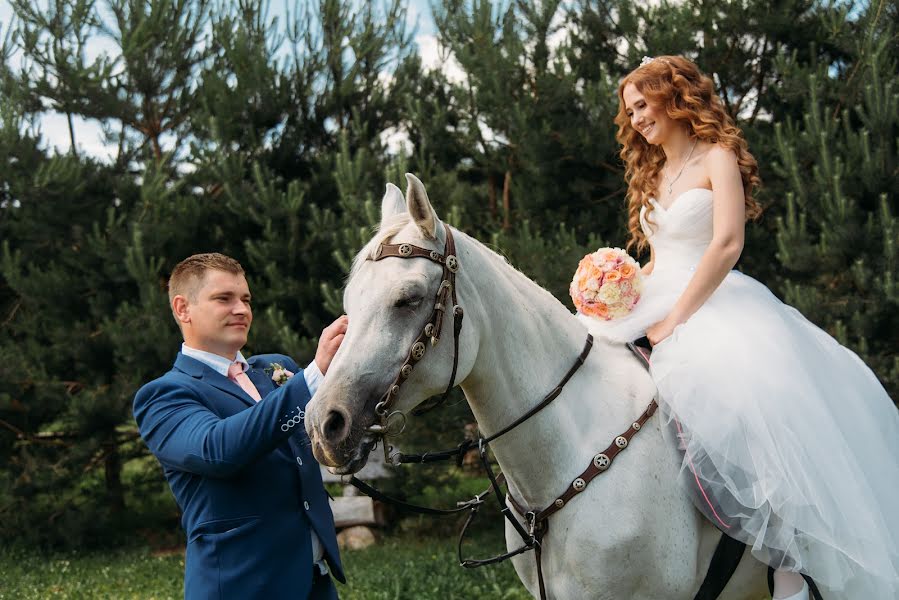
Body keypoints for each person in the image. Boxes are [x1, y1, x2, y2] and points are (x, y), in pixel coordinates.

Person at [576, 55, 899, 599]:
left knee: (747, 405)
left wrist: (677, 318)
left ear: (673, 96)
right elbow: (658, 256)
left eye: (642, 105)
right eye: (628, 111)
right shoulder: (653, 172)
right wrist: (614, 288)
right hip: (657, 297)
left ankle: (791, 567)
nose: (635, 119)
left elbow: (726, 243)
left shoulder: (716, 157)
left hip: (713, 302)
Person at [133, 252, 348, 599]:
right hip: (242, 586)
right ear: (182, 309)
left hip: (316, 583)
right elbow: (219, 450)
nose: (241, 309)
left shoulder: (275, 370)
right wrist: (313, 375)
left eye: (246, 299)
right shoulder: (164, 395)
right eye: (224, 299)